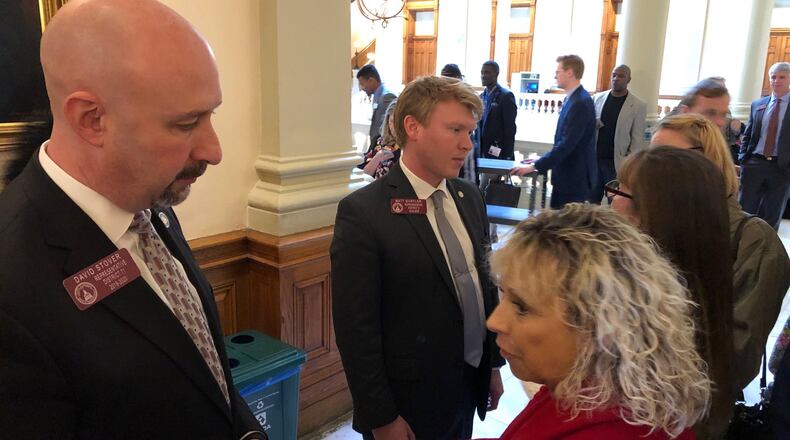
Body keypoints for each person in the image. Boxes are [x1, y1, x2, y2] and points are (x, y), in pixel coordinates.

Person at [0, 0, 265, 438]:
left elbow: (200, 371)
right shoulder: (12, 287)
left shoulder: (149, 203)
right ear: (92, 120)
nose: (214, 150)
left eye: (210, 114)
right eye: (186, 124)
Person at [331, 76, 504, 440]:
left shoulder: (469, 197)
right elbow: (355, 328)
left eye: (470, 132)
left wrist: (492, 364)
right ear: (413, 127)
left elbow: (484, 287)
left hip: (467, 383)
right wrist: (380, 416)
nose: (467, 144)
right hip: (408, 402)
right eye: (455, 129)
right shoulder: (364, 212)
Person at [484, 204, 707, 439]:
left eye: (521, 307)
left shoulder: (608, 430)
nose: (495, 321)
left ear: (598, 325)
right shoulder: (584, 392)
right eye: (503, 294)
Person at [651, 114, 790, 394]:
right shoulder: (650, 225)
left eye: (665, 159)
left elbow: (734, 359)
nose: (650, 171)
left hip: (688, 401)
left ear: (707, 161)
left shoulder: (754, 241)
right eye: (650, 158)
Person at [612, 147, 737, 439]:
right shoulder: (708, 288)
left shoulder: (642, 308)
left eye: (621, 190)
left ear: (651, 214)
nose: (612, 199)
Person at [511, 55, 596, 209]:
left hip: (574, 180)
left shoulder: (580, 102)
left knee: (567, 223)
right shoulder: (571, 99)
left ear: (570, 72)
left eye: (558, 72)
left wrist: (536, 166)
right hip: (565, 177)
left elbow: (567, 144)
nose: (555, 76)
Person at [739, 62, 790, 231]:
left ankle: (766, 245)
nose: (776, 81)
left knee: (772, 213)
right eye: (773, 77)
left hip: (781, 167)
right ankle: (740, 241)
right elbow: (748, 133)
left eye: (782, 77)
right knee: (745, 210)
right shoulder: (758, 104)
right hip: (754, 163)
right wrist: (743, 158)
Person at [590, 64, 646, 203]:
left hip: (616, 164)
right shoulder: (597, 99)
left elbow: (637, 140)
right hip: (595, 161)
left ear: (628, 79)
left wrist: (627, 165)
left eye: (621, 76)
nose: (616, 79)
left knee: (616, 204)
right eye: (614, 75)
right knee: (591, 203)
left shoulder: (638, 105)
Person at [478, 60, 517, 161]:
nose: (483, 76)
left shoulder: (506, 96)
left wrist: (508, 155)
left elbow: (510, 129)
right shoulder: (481, 97)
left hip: (498, 151)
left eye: (487, 72)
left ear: (496, 74)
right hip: (482, 151)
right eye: (482, 72)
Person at [357, 64, 398, 148]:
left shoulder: (387, 96)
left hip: (384, 147)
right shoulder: (377, 96)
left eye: (362, 84)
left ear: (371, 80)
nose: (361, 88)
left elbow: (389, 127)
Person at [362, 100, 400, 180]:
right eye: (391, 121)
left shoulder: (409, 148)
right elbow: (363, 175)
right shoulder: (378, 141)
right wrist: (377, 158)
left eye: (398, 122)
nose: (394, 126)